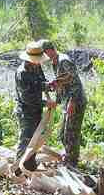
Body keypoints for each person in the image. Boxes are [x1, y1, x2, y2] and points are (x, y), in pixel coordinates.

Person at [40, 41, 87, 167]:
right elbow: (62, 84)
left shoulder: (63, 61)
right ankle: (69, 157)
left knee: (70, 134)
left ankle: (72, 163)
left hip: (75, 101)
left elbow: (75, 82)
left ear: (50, 50)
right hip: (67, 101)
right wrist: (58, 100)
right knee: (63, 134)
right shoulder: (55, 62)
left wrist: (72, 101)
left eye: (44, 53)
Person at [14, 41, 55, 173]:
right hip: (26, 111)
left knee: (35, 139)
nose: (38, 62)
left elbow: (40, 83)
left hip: (36, 110)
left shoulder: (37, 67)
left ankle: (30, 167)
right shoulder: (22, 73)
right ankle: (18, 171)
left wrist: (48, 85)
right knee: (26, 140)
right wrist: (45, 103)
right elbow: (27, 98)